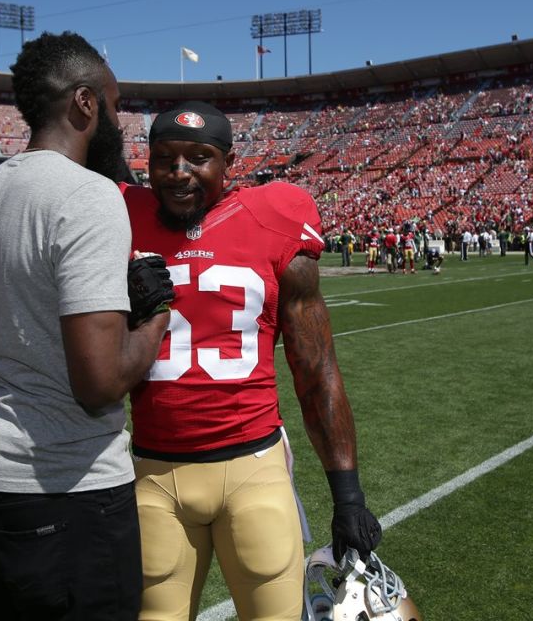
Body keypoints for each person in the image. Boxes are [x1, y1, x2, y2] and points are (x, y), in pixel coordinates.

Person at [0, 31, 173, 619]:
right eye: (115, 106)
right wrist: (156, 319)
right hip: (64, 486)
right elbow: (98, 383)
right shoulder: (88, 195)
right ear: (85, 103)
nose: (119, 123)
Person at [123, 101, 382, 621]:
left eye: (198, 157)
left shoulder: (273, 218)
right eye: (165, 158)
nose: (179, 173)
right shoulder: (117, 216)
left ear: (229, 162)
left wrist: (347, 493)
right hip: (154, 472)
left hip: (252, 469)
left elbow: (316, 370)